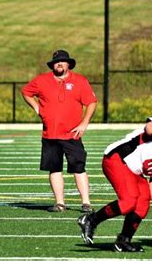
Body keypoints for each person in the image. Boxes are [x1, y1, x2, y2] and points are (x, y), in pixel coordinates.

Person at [77, 114, 152, 252]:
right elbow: (150, 127)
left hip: (135, 170)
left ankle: (123, 240)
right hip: (118, 158)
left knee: (143, 203)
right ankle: (91, 220)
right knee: (128, 202)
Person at [21, 49, 97, 213]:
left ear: (68, 64)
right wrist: (36, 107)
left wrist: (84, 123)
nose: (60, 64)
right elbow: (26, 92)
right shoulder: (41, 80)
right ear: (52, 65)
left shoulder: (80, 81)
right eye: (57, 62)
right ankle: (60, 203)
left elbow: (91, 103)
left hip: (72, 134)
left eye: (63, 61)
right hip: (50, 134)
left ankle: (86, 203)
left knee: (79, 168)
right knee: (54, 168)